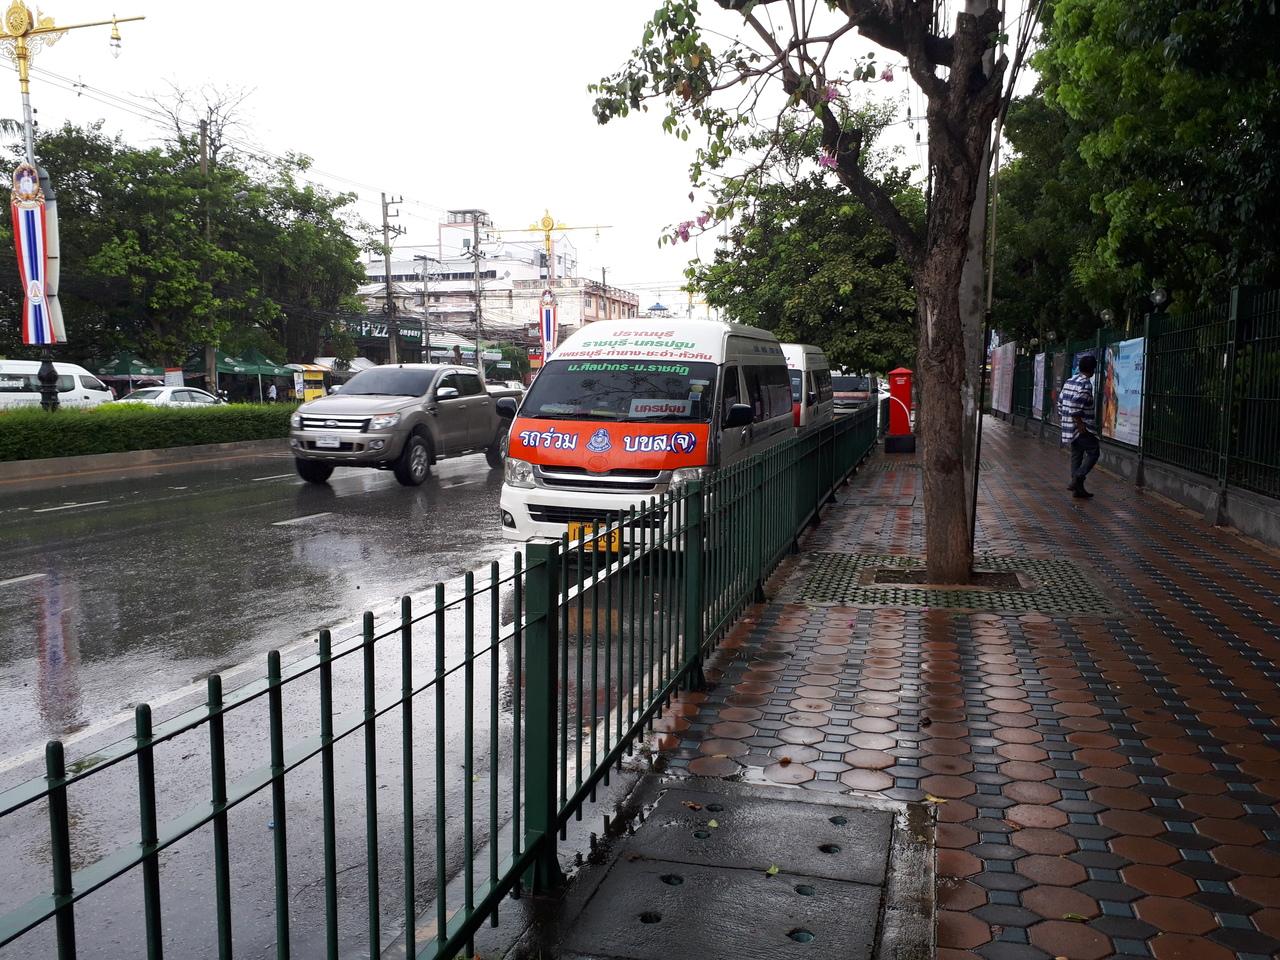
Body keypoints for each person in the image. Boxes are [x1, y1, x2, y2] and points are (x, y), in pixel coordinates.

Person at [1059, 354, 1099, 499]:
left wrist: (1065, 420)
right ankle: (1077, 477)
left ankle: (1078, 489)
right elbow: (1075, 405)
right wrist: (1079, 423)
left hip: (1069, 427)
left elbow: (1060, 403)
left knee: (1077, 455)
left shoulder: (1070, 380)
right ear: (1092, 369)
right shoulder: (1085, 384)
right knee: (1094, 451)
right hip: (1081, 427)